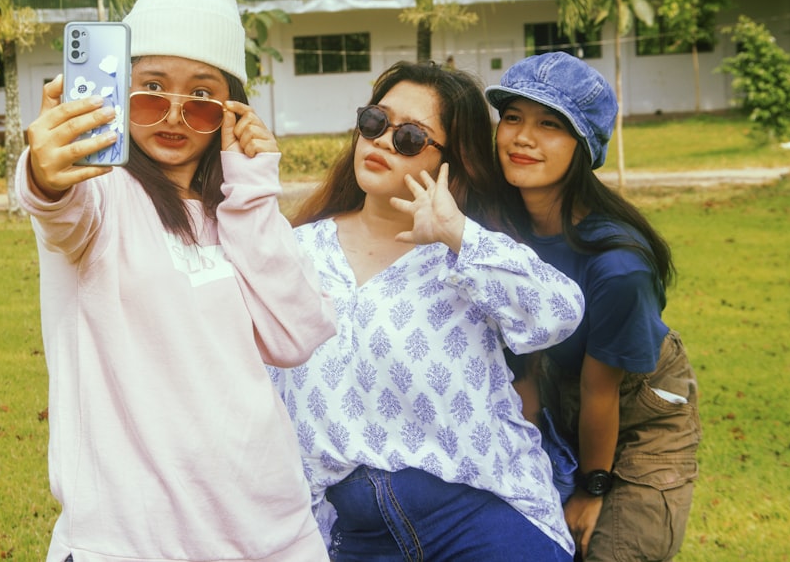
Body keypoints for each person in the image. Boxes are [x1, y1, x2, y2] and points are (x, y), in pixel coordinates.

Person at [17, 0, 335, 562]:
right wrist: (47, 172)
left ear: (230, 111)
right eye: (150, 89)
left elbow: (295, 337)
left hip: (271, 529)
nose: (172, 114)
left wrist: (252, 191)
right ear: (116, 88)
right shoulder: (101, 192)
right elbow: (59, 210)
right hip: (130, 539)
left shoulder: (239, 206)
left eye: (201, 97)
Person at [270, 61, 585, 561]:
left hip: (476, 516)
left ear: (451, 163)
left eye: (411, 137)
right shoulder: (293, 251)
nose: (381, 141)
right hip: (349, 533)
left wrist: (458, 234)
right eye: (375, 122)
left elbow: (559, 314)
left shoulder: (465, 256)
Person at [486, 52, 702, 562]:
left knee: (613, 551)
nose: (522, 137)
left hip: (637, 407)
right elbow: (524, 361)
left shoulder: (618, 264)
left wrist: (591, 488)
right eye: (512, 117)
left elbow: (600, 390)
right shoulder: (502, 231)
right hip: (557, 391)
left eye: (550, 125)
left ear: (584, 147)